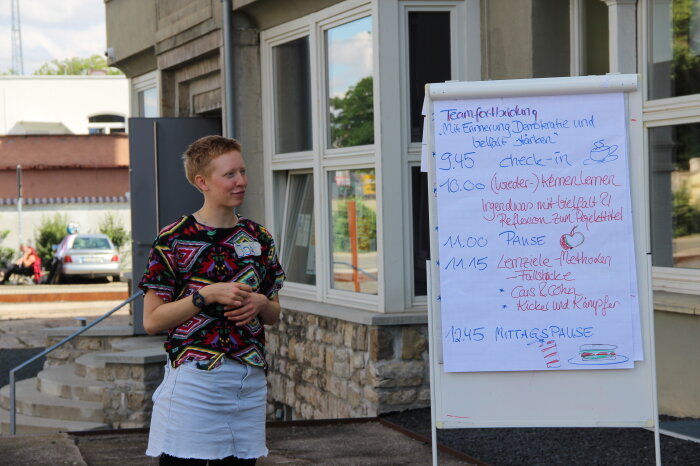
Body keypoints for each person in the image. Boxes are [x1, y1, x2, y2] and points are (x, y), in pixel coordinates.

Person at [138, 135, 285, 466]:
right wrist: (204, 296)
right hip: (194, 382)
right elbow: (152, 320)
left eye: (243, 171)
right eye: (230, 174)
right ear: (202, 182)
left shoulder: (259, 238)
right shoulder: (173, 238)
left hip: (248, 382)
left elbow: (274, 313)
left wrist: (262, 304)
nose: (242, 181)